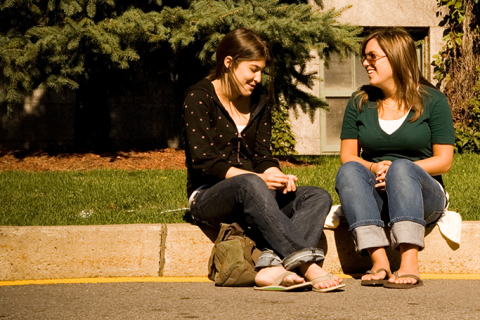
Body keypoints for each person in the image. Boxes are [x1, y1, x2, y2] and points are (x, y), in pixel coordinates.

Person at [182, 27, 344, 292]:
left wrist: (275, 175)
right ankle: (307, 264)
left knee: (316, 197)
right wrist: (258, 179)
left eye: (261, 71)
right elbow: (206, 162)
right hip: (209, 195)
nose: (258, 78)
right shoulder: (198, 98)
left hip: (255, 193)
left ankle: (272, 266)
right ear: (228, 63)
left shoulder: (258, 101)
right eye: (252, 69)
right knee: (249, 184)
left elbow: (262, 156)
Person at [335, 28, 455, 289]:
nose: (365, 62)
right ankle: (379, 260)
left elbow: (444, 161)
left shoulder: (433, 100)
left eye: (372, 56)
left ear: (396, 56)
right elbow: (348, 156)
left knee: (402, 168)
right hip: (377, 193)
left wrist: (399, 170)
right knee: (349, 171)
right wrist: (376, 166)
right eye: (364, 57)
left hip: (424, 196)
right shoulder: (359, 101)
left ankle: (409, 262)